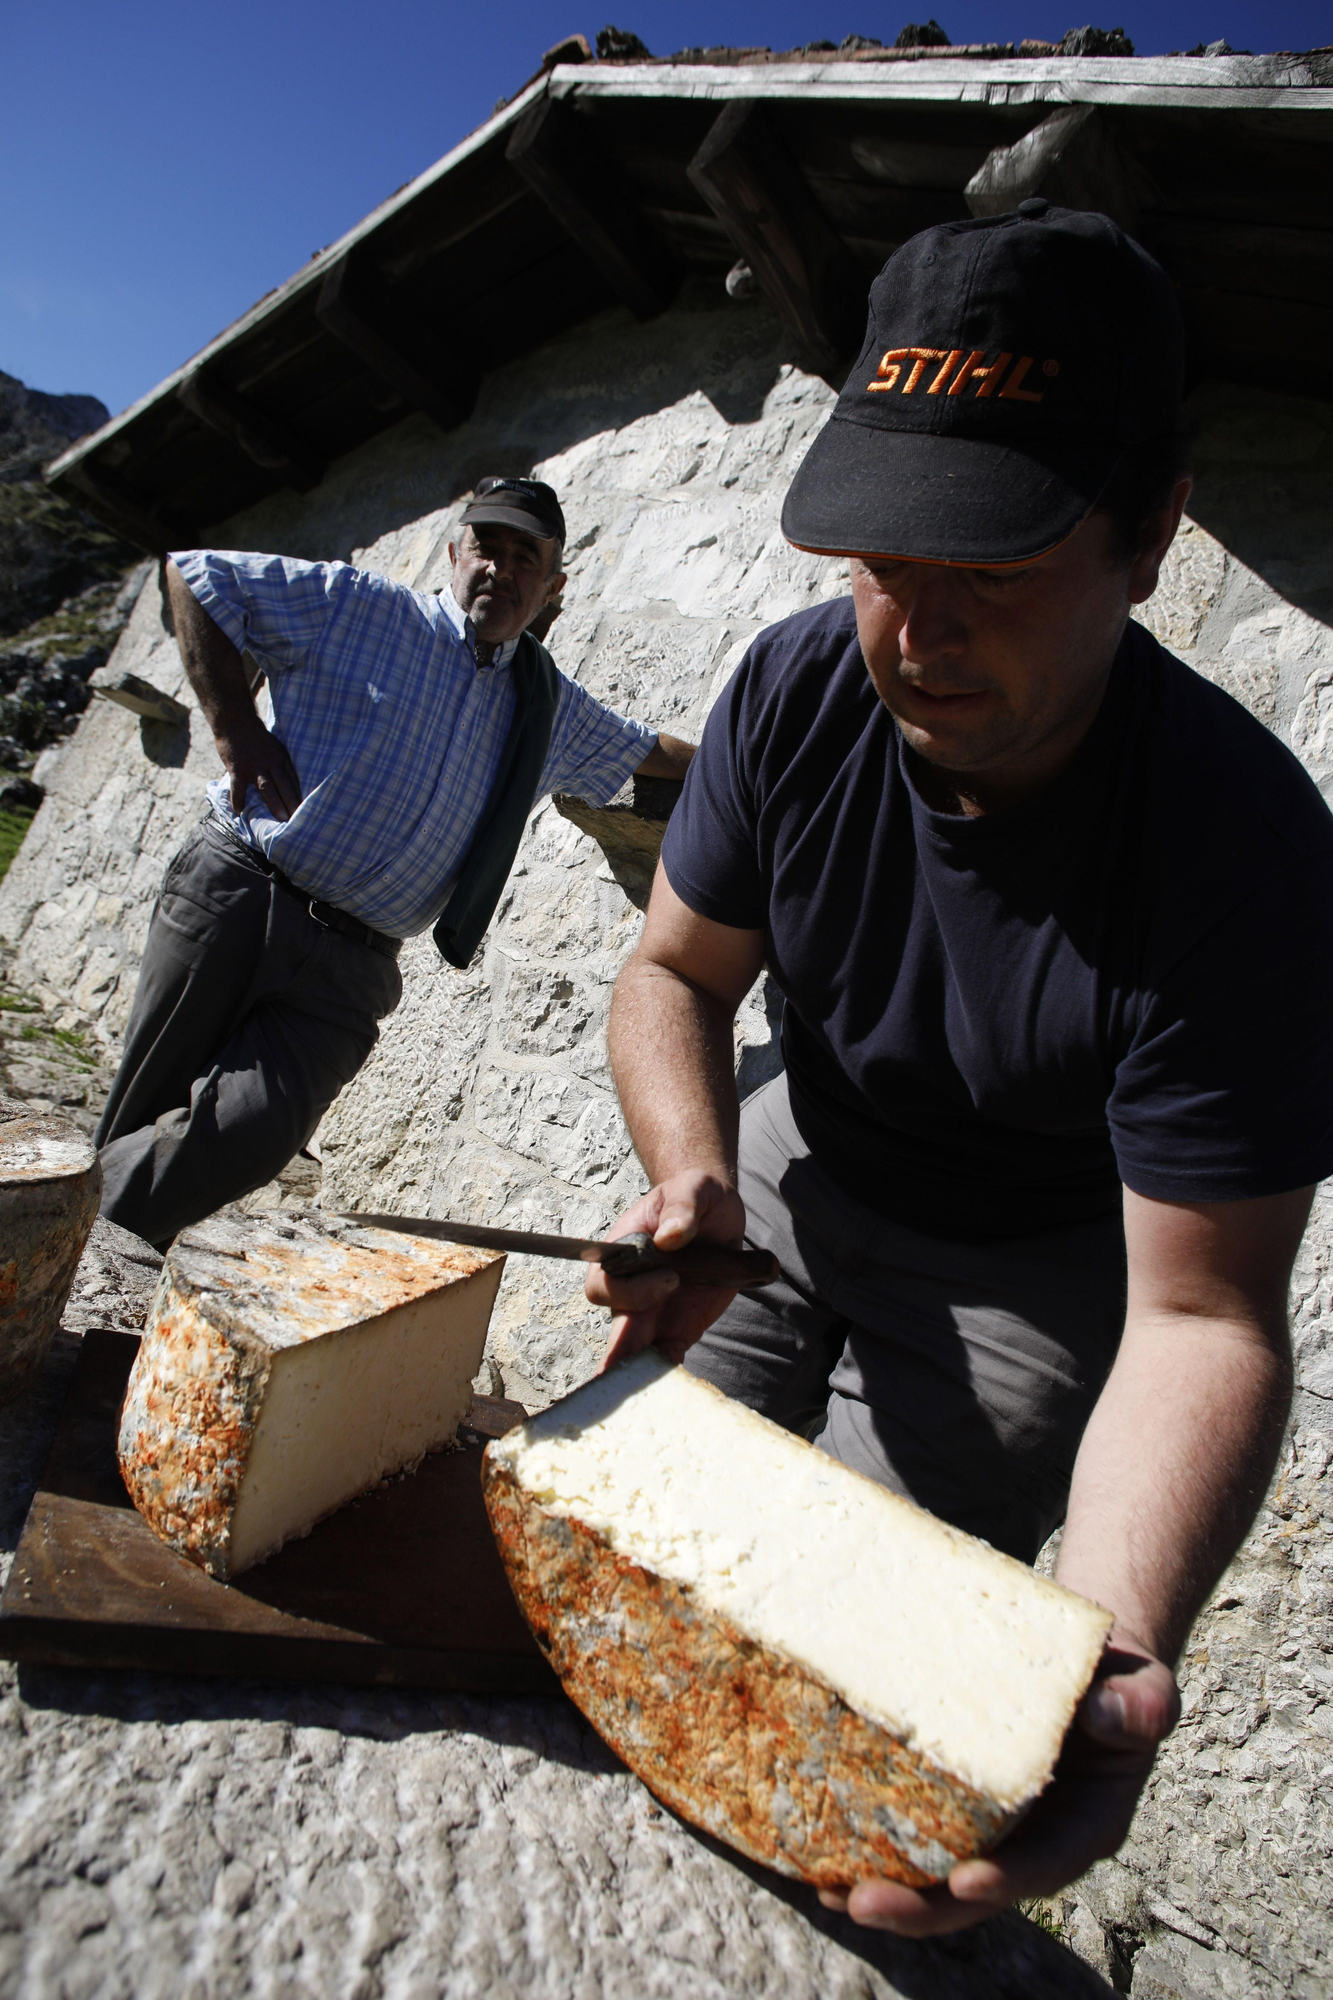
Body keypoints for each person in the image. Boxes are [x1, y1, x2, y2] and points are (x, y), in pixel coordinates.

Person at [586, 206, 1333, 1934]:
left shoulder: (1244, 864)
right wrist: (692, 1167)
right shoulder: (790, 692)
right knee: (625, 1542)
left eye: (986, 568)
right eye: (877, 561)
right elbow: (672, 971)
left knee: (822, 1707)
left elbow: (1205, 1320)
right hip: (791, 1164)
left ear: (1148, 533)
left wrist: (1112, 1640)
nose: (912, 632)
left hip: (1027, 1287)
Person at [96, 476, 694, 1246]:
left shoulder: (550, 708)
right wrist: (235, 727)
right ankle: (70, 1285)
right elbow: (199, 577)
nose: (500, 570)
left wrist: (756, 756)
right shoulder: (362, 606)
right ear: (455, 551)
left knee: (254, 1131)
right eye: (487, 546)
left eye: (525, 557)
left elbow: (653, 754)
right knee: (144, 1109)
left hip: (352, 967)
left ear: (552, 587)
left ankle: (58, 1217)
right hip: (238, 892)